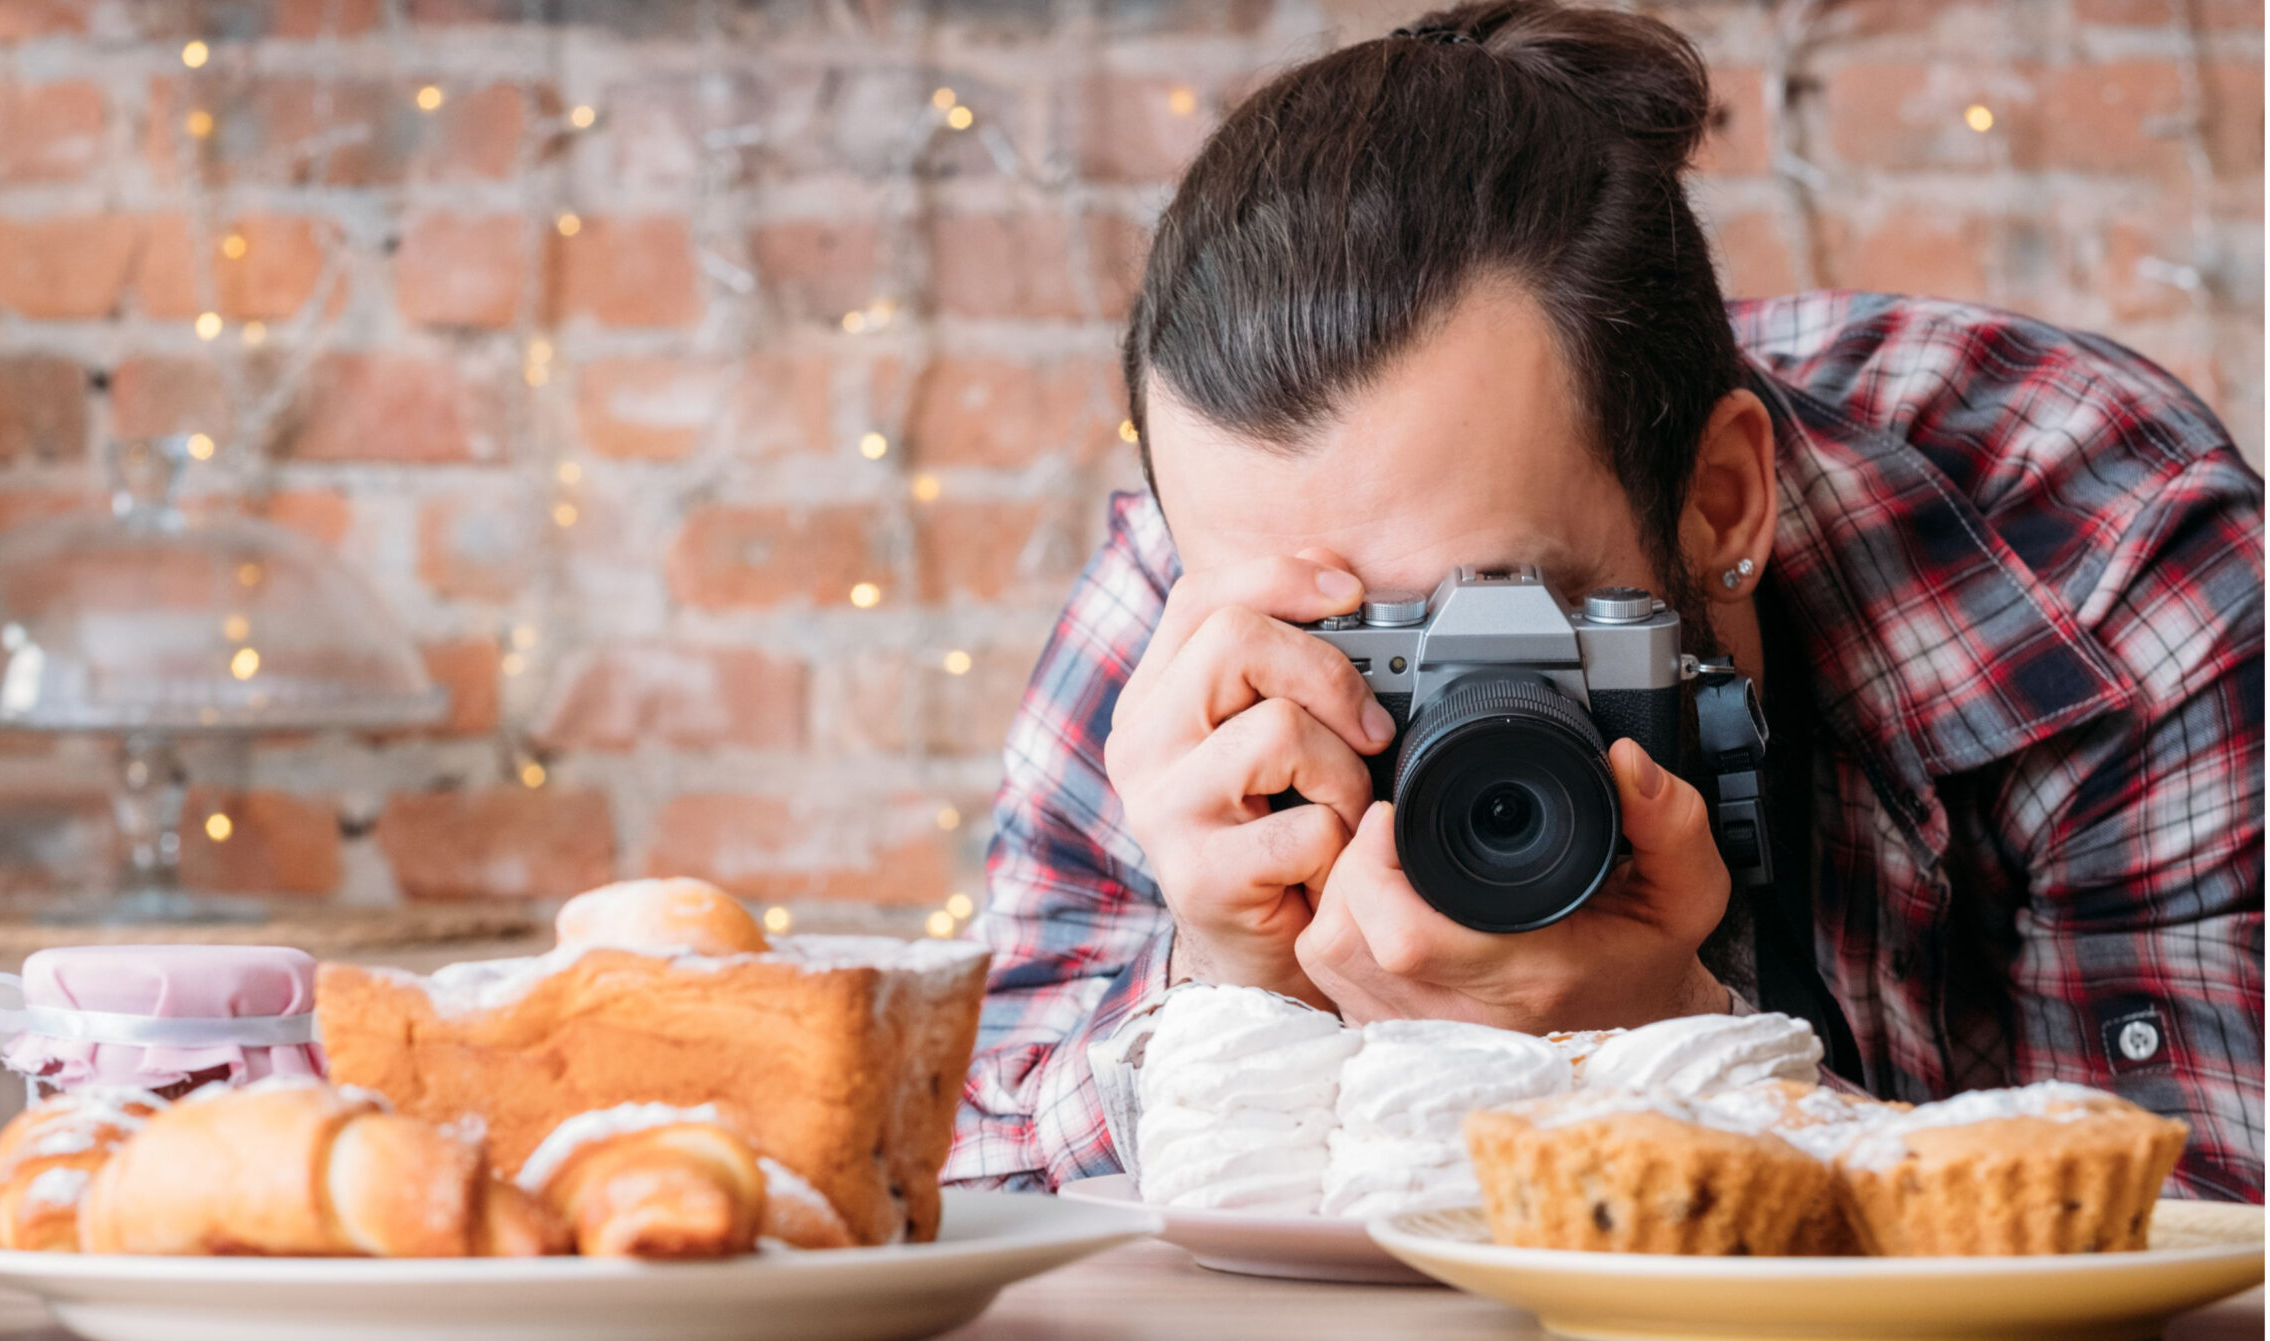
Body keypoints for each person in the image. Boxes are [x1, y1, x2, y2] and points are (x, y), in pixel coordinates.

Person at [950, 0, 2265, 1202]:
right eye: (1334, 643)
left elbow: (2209, 1260)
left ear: (1721, 505)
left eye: (1494, 610)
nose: (1413, 703)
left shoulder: (2097, 550)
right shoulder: (1192, 611)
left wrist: (1658, 1058)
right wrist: (1216, 995)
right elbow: (962, 1191)